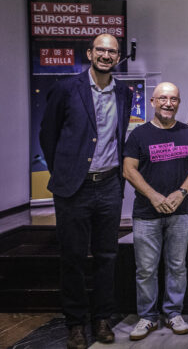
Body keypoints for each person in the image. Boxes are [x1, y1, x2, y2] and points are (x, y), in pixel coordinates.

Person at [39, 33, 133, 349]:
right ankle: (76, 324)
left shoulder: (123, 92)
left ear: (118, 57)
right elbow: (48, 134)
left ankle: (102, 319)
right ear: (90, 52)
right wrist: (65, 171)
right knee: (73, 258)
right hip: (74, 189)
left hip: (109, 186)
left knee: (107, 256)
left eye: (113, 51)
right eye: (101, 50)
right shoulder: (67, 88)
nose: (106, 55)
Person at [122, 82, 188, 341]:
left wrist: (180, 194)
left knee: (177, 265)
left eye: (174, 99)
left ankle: (173, 313)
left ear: (179, 103)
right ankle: (147, 317)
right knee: (146, 268)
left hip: (180, 211)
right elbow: (129, 170)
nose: (168, 103)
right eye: (163, 99)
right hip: (146, 212)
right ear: (153, 102)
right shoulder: (139, 135)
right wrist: (154, 196)